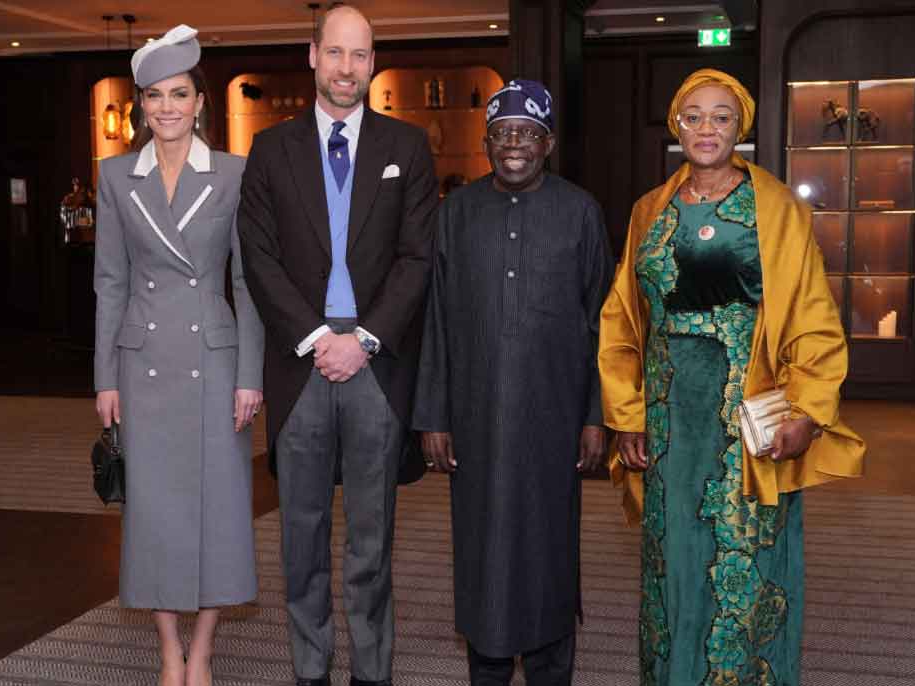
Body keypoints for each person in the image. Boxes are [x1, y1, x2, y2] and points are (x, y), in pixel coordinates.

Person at [598, 69, 866, 686]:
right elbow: (622, 319)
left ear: (740, 127)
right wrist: (628, 413)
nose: (707, 128)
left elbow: (812, 315)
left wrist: (808, 412)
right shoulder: (650, 210)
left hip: (749, 419)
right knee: (675, 562)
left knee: (742, 563)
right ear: (676, 125)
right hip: (668, 422)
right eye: (694, 115)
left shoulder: (775, 208)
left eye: (722, 116)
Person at [235, 6, 437, 686]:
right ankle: (311, 671)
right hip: (302, 370)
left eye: (362, 55)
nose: (348, 68)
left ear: (373, 63)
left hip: (376, 373)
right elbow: (258, 259)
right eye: (337, 53)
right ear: (313, 55)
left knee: (372, 544)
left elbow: (417, 258)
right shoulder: (270, 150)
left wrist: (365, 340)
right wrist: (321, 338)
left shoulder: (407, 148)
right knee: (302, 541)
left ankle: (371, 674)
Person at [413, 79, 613, 686]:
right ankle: (489, 671)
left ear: (548, 144)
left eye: (528, 134)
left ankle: (553, 670)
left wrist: (595, 414)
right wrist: (434, 415)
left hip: (555, 420)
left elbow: (604, 321)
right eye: (503, 134)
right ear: (487, 143)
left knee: (550, 550)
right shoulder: (455, 215)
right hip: (474, 420)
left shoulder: (580, 211)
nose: (515, 145)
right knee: (484, 553)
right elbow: (436, 321)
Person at [93, 24, 264, 686]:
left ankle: (205, 648)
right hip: (143, 367)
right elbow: (110, 283)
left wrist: (250, 374)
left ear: (200, 103)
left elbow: (247, 283)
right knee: (155, 513)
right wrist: (104, 376)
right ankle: (169, 647)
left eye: (179, 94)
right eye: (154, 96)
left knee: (220, 509)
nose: (166, 107)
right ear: (140, 105)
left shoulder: (233, 174)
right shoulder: (115, 178)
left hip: (215, 364)